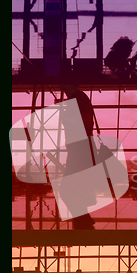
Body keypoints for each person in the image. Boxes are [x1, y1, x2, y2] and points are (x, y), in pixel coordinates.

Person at [58, 84, 97, 229]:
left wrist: (64, 115)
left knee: (67, 189)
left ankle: (83, 218)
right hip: (79, 147)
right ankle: (83, 218)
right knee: (71, 188)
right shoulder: (80, 99)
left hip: (79, 147)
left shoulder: (76, 100)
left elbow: (78, 123)